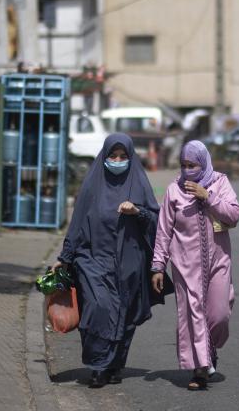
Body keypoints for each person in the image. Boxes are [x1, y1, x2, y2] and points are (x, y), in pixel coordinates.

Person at [52, 133, 167, 388]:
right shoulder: (93, 184)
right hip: (92, 258)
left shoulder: (138, 182)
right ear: (104, 157)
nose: (117, 160)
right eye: (112, 156)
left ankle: (115, 364)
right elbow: (78, 221)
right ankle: (97, 365)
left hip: (128, 262)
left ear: (130, 158)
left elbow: (156, 221)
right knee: (97, 307)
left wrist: (137, 211)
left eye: (123, 156)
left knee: (125, 316)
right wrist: (66, 256)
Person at [151, 140, 239, 390]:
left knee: (219, 315)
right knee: (193, 315)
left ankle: (209, 350)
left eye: (193, 165)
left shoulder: (220, 183)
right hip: (185, 264)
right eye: (184, 165)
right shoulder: (173, 191)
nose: (188, 170)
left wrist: (208, 196)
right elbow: (163, 230)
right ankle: (200, 369)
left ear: (203, 163)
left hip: (218, 261)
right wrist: (158, 265)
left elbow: (234, 215)